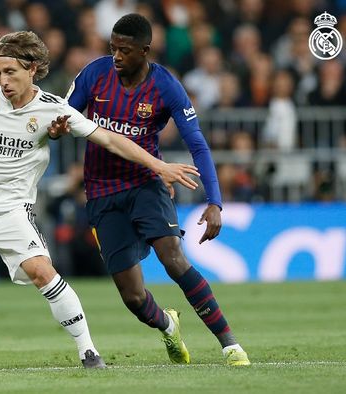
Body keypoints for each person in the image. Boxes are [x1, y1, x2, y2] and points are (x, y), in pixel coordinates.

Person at [0, 31, 200, 369]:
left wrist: (158, 164)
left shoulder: (53, 111)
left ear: (32, 69)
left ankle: (88, 352)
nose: (3, 81)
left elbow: (109, 139)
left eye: (11, 72)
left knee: (41, 271)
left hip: (10, 211)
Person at [60, 13, 250, 366]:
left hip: (146, 183)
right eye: (112, 48)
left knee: (174, 259)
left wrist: (215, 202)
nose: (116, 56)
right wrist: (56, 127)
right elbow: (62, 115)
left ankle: (230, 345)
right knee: (133, 297)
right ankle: (167, 325)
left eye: (125, 50)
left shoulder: (165, 86)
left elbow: (198, 143)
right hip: (101, 192)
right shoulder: (94, 74)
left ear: (145, 51)